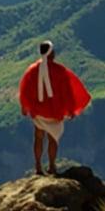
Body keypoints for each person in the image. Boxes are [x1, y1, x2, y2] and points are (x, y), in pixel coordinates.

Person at [18, 40, 90, 176]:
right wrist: (70, 109)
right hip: (54, 111)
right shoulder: (60, 71)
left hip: (38, 110)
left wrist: (24, 107)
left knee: (38, 137)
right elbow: (67, 91)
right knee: (53, 139)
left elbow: (25, 89)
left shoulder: (32, 70)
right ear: (52, 54)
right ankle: (51, 166)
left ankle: (38, 166)